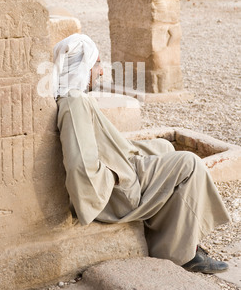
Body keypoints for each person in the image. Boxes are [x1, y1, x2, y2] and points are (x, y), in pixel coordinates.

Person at [52, 33, 230, 273]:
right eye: (97, 64)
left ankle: (172, 235)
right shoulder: (74, 104)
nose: (102, 71)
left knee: (165, 147)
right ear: (81, 67)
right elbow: (81, 166)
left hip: (121, 168)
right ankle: (183, 254)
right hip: (117, 192)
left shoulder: (76, 98)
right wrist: (118, 177)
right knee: (189, 163)